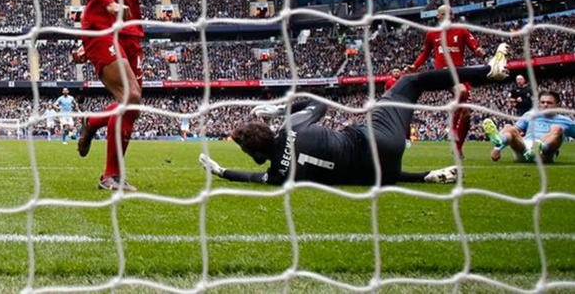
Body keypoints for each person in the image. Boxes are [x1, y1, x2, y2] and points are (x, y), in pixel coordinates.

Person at [200, 45, 511, 187]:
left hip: (379, 174)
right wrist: (281, 107)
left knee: (354, 172)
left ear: (255, 154)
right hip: (380, 139)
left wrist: (221, 171)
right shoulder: (292, 127)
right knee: (410, 82)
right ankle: (489, 71)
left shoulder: (280, 177)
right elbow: (318, 103)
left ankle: (424, 178)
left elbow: (254, 177)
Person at [72, 0, 144, 192]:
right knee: (130, 96)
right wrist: (108, 3)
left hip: (130, 35)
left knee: (133, 105)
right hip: (103, 28)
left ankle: (94, 126)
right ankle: (109, 174)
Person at [404, 5, 486, 157]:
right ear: (438, 17)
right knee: (461, 91)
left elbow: (474, 46)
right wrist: (415, 66)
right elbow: (425, 53)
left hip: (460, 73)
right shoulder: (432, 34)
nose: (447, 16)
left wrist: (479, 51)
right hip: (442, 73)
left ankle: (458, 147)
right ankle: (452, 127)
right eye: (443, 14)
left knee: (467, 113)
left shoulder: (461, 31)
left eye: (450, 13)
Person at [483, 90, 575, 163]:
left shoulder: (566, 121)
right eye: (542, 102)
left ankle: (540, 147)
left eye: (549, 103)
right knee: (509, 128)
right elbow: (513, 132)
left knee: (557, 128)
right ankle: (498, 140)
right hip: (524, 149)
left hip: (545, 154)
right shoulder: (530, 115)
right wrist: (497, 149)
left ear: (557, 104)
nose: (545, 105)